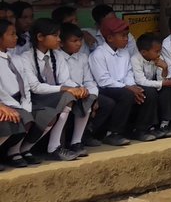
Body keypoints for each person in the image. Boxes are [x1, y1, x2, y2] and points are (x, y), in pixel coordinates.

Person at [21, 18, 90, 161]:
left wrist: (77, 88)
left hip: (54, 96)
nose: (59, 40)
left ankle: (63, 145)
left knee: (83, 97)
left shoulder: (57, 56)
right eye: (55, 36)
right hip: (36, 98)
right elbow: (35, 87)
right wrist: (66, 88)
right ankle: (48, 148)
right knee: (67, 97)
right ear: (40, 37)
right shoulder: (25, 58)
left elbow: (65, 79)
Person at [88, 17, 141, 146]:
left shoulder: (125, 53)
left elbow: (128, 72)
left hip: (121, 87)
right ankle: (113, 133)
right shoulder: (98, 54)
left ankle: (140, 129)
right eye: (122, 36)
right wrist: (127, 87)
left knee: (144, 92)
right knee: (126, 95)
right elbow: (103, 80)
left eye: (126, 36)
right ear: (110, 38)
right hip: (105, 88)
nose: (126, 39)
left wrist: (132, 85)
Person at [60, 24, 103, 156]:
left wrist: (93, 95)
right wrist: (78, 89)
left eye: (80, 40)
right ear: (61, 43)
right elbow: (63, 79)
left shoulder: (83, 57)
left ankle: (76, 141)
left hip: (82, 92)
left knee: (89, 101)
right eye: (74, 41)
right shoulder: (58, 57)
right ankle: (61, 144)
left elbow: (89, 80)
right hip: (66, 92)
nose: (78, 44)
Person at [0, 19, 36, 169]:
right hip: (4, 101)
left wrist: (25, 104)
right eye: (12, 34)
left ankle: (14, 152)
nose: (16, 37)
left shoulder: (14, 58)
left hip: (16, 100)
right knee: (9, 118)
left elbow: (25, 85)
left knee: (27, 116)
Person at [131, 33, 171, 137]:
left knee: (166, 90)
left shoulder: (158, 58)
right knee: (151, 92)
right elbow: (141, 81)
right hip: (138, 86)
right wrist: (164, 83)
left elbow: (161, 78)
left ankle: (165, 124)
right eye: (156, 51)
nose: (159, 54)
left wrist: (165, 68)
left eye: (160, 51)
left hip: (154, 83)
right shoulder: (135, 59)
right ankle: (148, 127)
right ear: (144, 52)